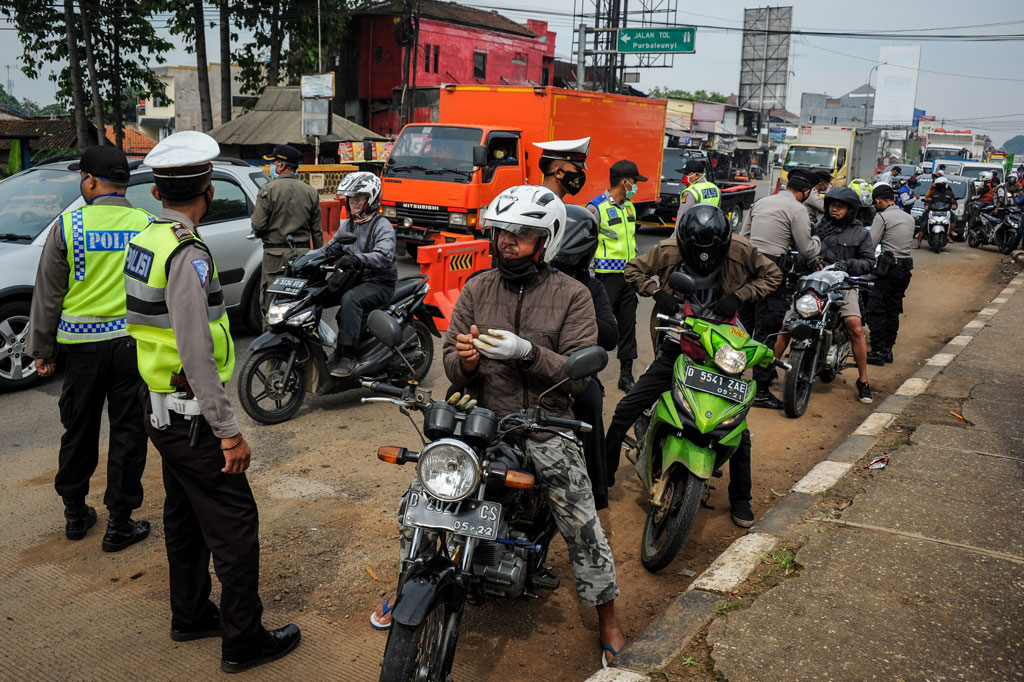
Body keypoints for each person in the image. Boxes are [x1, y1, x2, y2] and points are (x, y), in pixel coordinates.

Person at [379, 184, 625, 666]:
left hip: (546, 424)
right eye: (502, 232)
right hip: (485, 419)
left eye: (522, 233)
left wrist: (528, 353)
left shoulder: (573, 295)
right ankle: (408, 582)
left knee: (581, 521)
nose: (507, 241)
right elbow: (450, 358)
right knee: (422, 500)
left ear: (547, 238)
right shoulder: (476, 287)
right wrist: (465, 362)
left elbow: (580, 376)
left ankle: (607, 615)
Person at [124, 131, 300, 673]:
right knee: (235, 528)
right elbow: (196, 348)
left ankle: (191, 614)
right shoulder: (185, 252)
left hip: (159, 407)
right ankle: (243, 641)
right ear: (207, 190)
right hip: (192, 418)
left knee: (182, 516)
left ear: (156, 192)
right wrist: (228, 429)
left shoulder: (146, 241)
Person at [606, 204, 782, 527]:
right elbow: (632, 269)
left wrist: (741, 295)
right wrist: (657, 292)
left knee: (736, 429)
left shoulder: (741, 250)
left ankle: (741, 498)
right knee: (624, 411)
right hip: (678, 342)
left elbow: (773, 274)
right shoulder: (668, 249)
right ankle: (601, 478)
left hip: (724, 350)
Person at [26, 145, 153, 551]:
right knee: (128, 432)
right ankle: (120, 523)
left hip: (81, 349)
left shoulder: (67, 225)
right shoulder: (146, 224)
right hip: (132, 347)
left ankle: (76, 514)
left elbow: (48, 293)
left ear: (90, 180)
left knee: (78, 430)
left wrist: (41, 350)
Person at [775, 187, 875, 403]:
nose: (834, 209)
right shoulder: (818, 229)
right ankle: (767, 371)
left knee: (855, 327)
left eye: (840, 206)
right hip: (814, 285)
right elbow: (803, 251)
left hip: (844, 285)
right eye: (831, 205)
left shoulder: (860, 233)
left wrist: (846, 265)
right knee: (788, 324)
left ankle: (863, 381)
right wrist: (808, 260)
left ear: (850, 210)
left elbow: (869, 261)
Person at [550, 209, 619, 509]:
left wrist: (578, 311)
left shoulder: (592, 288)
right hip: (527, 363)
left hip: (572, 371)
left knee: (590, 401)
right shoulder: (534, 276)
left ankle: (594, 489)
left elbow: (611, 336)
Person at [740, 167, 821, 409]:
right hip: (771, 271)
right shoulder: (798, 209)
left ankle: (731, 379)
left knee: (743, 326)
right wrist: (818, 242)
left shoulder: (762, 202)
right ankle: (761, 391)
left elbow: (744, 236)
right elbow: (807, 249)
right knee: (768, 328)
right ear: (806, 192)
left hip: (746, 266)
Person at [321, 171, 397, 378]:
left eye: (359, 198)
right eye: (351, 198)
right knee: (316, 295)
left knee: (350, 300)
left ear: (370, 200)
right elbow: (330, 249)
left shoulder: (382, 226)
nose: (353, 202)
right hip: (354, 278)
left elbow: (384, 257)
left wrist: (358, 259)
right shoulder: (349, 225)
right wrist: (302, 259)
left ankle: (348, 356)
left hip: (380, 283)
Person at [589, 159, 648, 392]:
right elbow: (587, 243)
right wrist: (590, 278)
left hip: (627, 278)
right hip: (604, 279)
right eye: (634, 181)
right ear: (624, 181)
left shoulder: (631, 207)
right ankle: (592, 376)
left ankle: (625, 376)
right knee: (599, 329)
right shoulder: (596, 208)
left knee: (627, 326)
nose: (636, 185)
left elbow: (630, 242)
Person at [251, 144, 323, 319]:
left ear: (282, 165)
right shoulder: (311, 192)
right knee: (300, 303)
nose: (271, 167)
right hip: (303, 257)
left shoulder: (268, 190)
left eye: (273, 163)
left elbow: (258, 225)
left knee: (271, 305)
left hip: (275, 257)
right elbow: (317, 233)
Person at [865, 184, 916, 366]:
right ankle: (888, 351)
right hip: (904, 270)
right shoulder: (909, 218)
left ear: (878, 201)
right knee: (893, 310)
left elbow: (871, 245)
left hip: (888, 269)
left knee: (876, 309)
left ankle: (877, 352)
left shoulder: (882, 217)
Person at [915, 176, 957, 248]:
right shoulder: (933, 193)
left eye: (941, 184)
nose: (939, 186)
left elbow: (954, 201)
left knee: (955, 219)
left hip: (945, 211)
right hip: (933, 210)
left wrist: (954, 205)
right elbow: (928, 200)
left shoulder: (950, 193)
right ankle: (918, 243)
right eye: (938, 184)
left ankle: (948, 234)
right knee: (923, 225)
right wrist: (927, 205)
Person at [675, 159, 721, 224]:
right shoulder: (715, 188)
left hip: (694, 230)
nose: (683, 176)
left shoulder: (690, 192)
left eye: (686, 174)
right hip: (711, 229)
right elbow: (717, 212)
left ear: (696, 175)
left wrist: (676, 233)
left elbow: (682, 217)